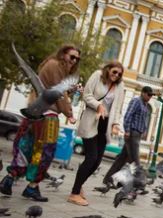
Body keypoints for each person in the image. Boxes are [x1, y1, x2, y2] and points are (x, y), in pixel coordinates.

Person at [0, 44, 80, 202]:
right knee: (44, 152)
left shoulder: (51, 65)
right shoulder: (56, 65)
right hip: (47, 117)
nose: (74, 61)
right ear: (63, 54)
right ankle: (32, 187)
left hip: (34, 113)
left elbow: (55, 90)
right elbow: (59, 94)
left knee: (25, 146)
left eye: (77, 59)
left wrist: (70, 91)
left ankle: (8, 180)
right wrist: (69, 113)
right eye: (72, 57)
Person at [68, 62, 124, 206]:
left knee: (97, 161)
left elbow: (117, 108)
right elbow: (86, 95)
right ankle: (74, 193)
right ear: (108, 69)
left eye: (119, 74)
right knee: (91, 157)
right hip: (91, 120)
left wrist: (116, 123)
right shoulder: (97, 76)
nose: (116, 75)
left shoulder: (120, 86)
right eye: (114, 71)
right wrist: (98, 105)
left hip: (105, 125)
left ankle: (79, 186)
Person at [102, 86, 153, 187]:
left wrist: (143, 130)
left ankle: (108, 179)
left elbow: (142, 120)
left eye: (151, 95)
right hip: (132, 134)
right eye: (149, 94)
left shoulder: (145, 105)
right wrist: (127, 131)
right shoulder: (136, 101)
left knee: (122, 159)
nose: (150, 97)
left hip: (137, 135)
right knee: (135, 159)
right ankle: (140, 183)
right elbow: (128, 116)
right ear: (143, 93)